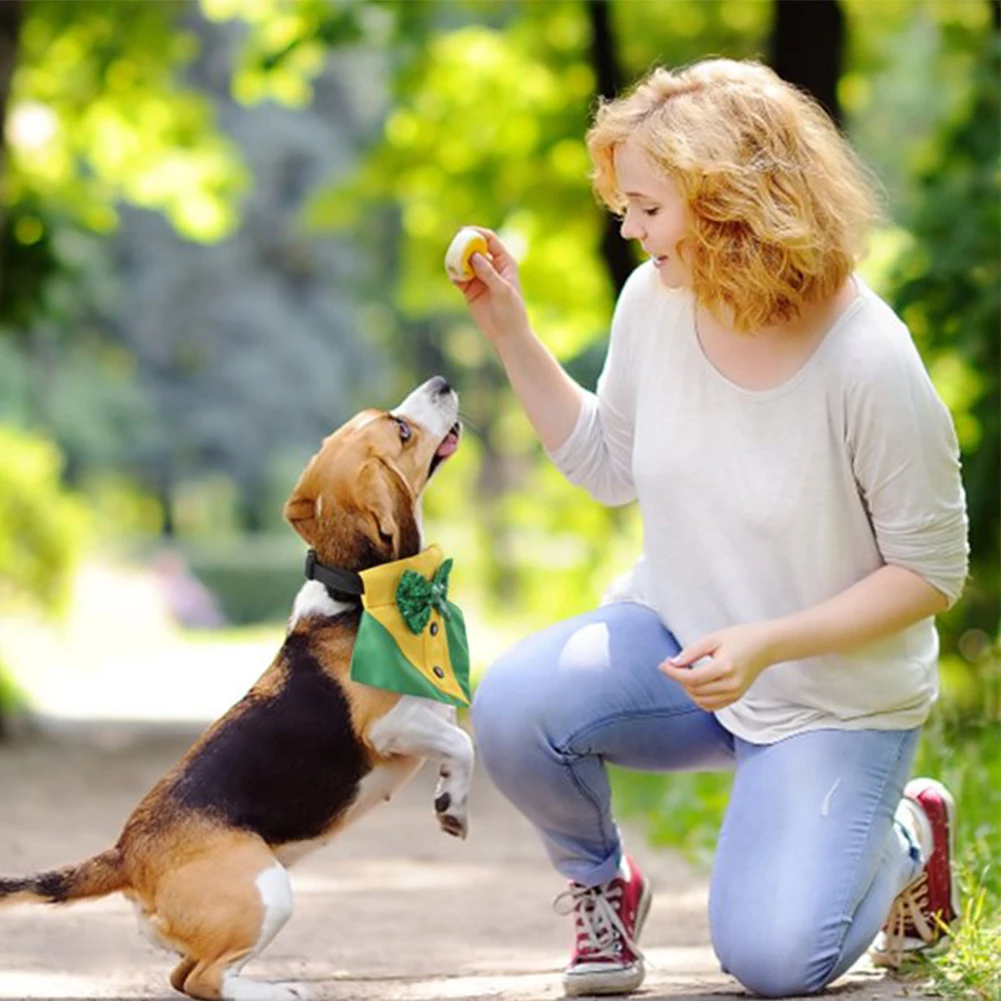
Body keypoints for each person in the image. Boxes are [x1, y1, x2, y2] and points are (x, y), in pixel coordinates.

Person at [449, 58, 969, 998]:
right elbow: (607, 463)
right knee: (516, 708)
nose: (627, 227)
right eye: (622, 204)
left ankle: (906, 834)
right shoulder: (655, 301)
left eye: (646, 206)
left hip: (829, 693)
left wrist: (770, 644)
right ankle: (601, 889)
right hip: (681, 648)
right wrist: (510, 333)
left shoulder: (869, 359)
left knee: (773, 962)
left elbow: (931, 572)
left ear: (729, 201)